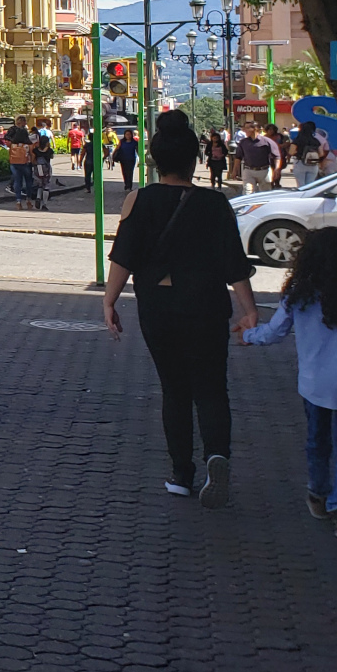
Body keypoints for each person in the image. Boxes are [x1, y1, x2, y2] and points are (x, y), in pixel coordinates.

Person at [102, 113, 259, 504]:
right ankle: (217, 455)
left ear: (155, 160)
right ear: (195, 160)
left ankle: (180, 474)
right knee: (212, 387)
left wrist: (109, 300)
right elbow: (234, 264)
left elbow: (124, 255)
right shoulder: (215, 203)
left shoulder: (139, 199)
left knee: (174, 389)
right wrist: (250, 310)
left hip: (159, 305)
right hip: (206, 303)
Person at [241, 229, 337, 541]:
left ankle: (317, 491)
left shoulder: (299, 295)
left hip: (314, 386)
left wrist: (247, 335)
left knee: (317, 441)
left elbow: (274, 332)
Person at [4, 113, 36, 210]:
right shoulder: (28, 144)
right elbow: (32, 154)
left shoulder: (12, 145)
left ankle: (18, 201)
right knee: (28, 182)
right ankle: (28, 200)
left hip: (14, 163)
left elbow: (9, 153)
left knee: (18, 182)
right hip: (26, 164)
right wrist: (33, 163)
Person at [236, 123, 274, 193]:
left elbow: (277, 156)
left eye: (247, 128)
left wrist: (277, 169)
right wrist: (235, 171)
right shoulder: (243, 142)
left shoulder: (266, 141)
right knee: (247, 192)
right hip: (248, 170)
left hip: (264, 171)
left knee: (265, 193)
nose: (244, 130)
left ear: (255, 129)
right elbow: (238, 157)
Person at [289, 121, 325, 190]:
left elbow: (291, 152)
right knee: (310, 185)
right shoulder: (316, 141)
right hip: (313, 164)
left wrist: (298, 152)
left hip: (300, 163)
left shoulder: (297, 140)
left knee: (301, 186)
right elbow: (321, 154)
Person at [32, 126, 56, 210]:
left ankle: (38, 197)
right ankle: (44, 204)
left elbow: (33, 160)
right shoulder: (49, 151)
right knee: (46, 185)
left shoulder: (35, 150)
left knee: (40, 184)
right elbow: (51, 157)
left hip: (38, 168)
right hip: (46, 168)